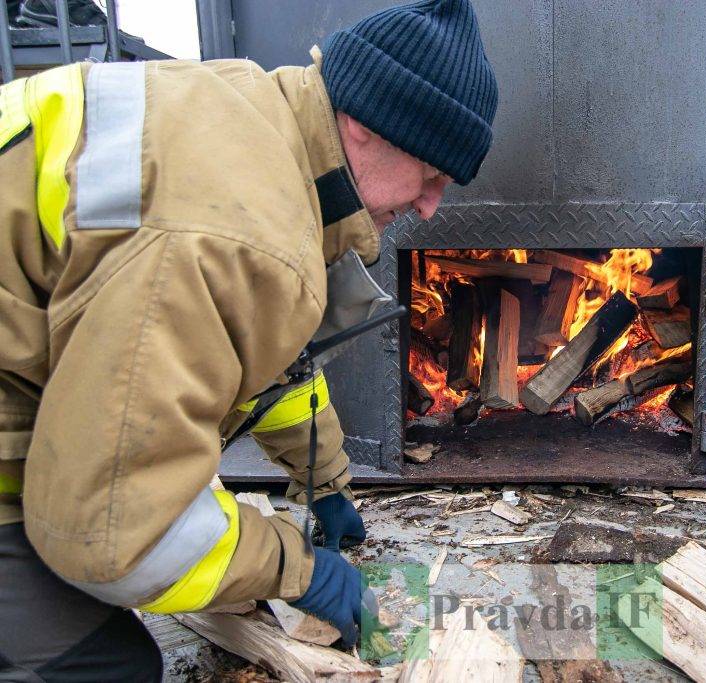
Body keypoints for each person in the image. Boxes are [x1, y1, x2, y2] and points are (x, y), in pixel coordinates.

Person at [0, 0, 497, 679]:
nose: (431, 203)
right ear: (365, 123)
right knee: (103, 665)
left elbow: (260, 357)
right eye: (432, 172)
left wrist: (322, 479)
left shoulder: (260, 120)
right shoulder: (241, 234)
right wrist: (296, 569)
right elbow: (116, 533)